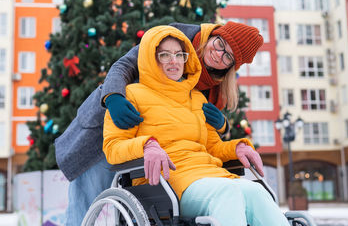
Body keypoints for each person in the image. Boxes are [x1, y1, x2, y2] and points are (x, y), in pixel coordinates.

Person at [55, 21, 264, 225]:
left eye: (228, 57)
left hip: (157, 149)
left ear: (232, 66)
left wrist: (223, 125)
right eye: (220, 45)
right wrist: (113, 97)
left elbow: (202, 131)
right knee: (84, 202)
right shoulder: (176, 37)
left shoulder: (214, 80)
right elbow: (125, 65)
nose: (219, 54)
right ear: (216, 34)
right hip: (114, 122)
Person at [103, 25, 289, 226]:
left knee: (256, 191)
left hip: (209, 175)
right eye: (165, 55)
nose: (174, 61)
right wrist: (146, 146)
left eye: (179, 55)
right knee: (227, 192)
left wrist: (238, 147)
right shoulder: (131, 95)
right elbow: (113, 148)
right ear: (151, 58)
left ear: (187, 58)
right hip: (167, 184)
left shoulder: (198, 99)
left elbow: (213, 147)